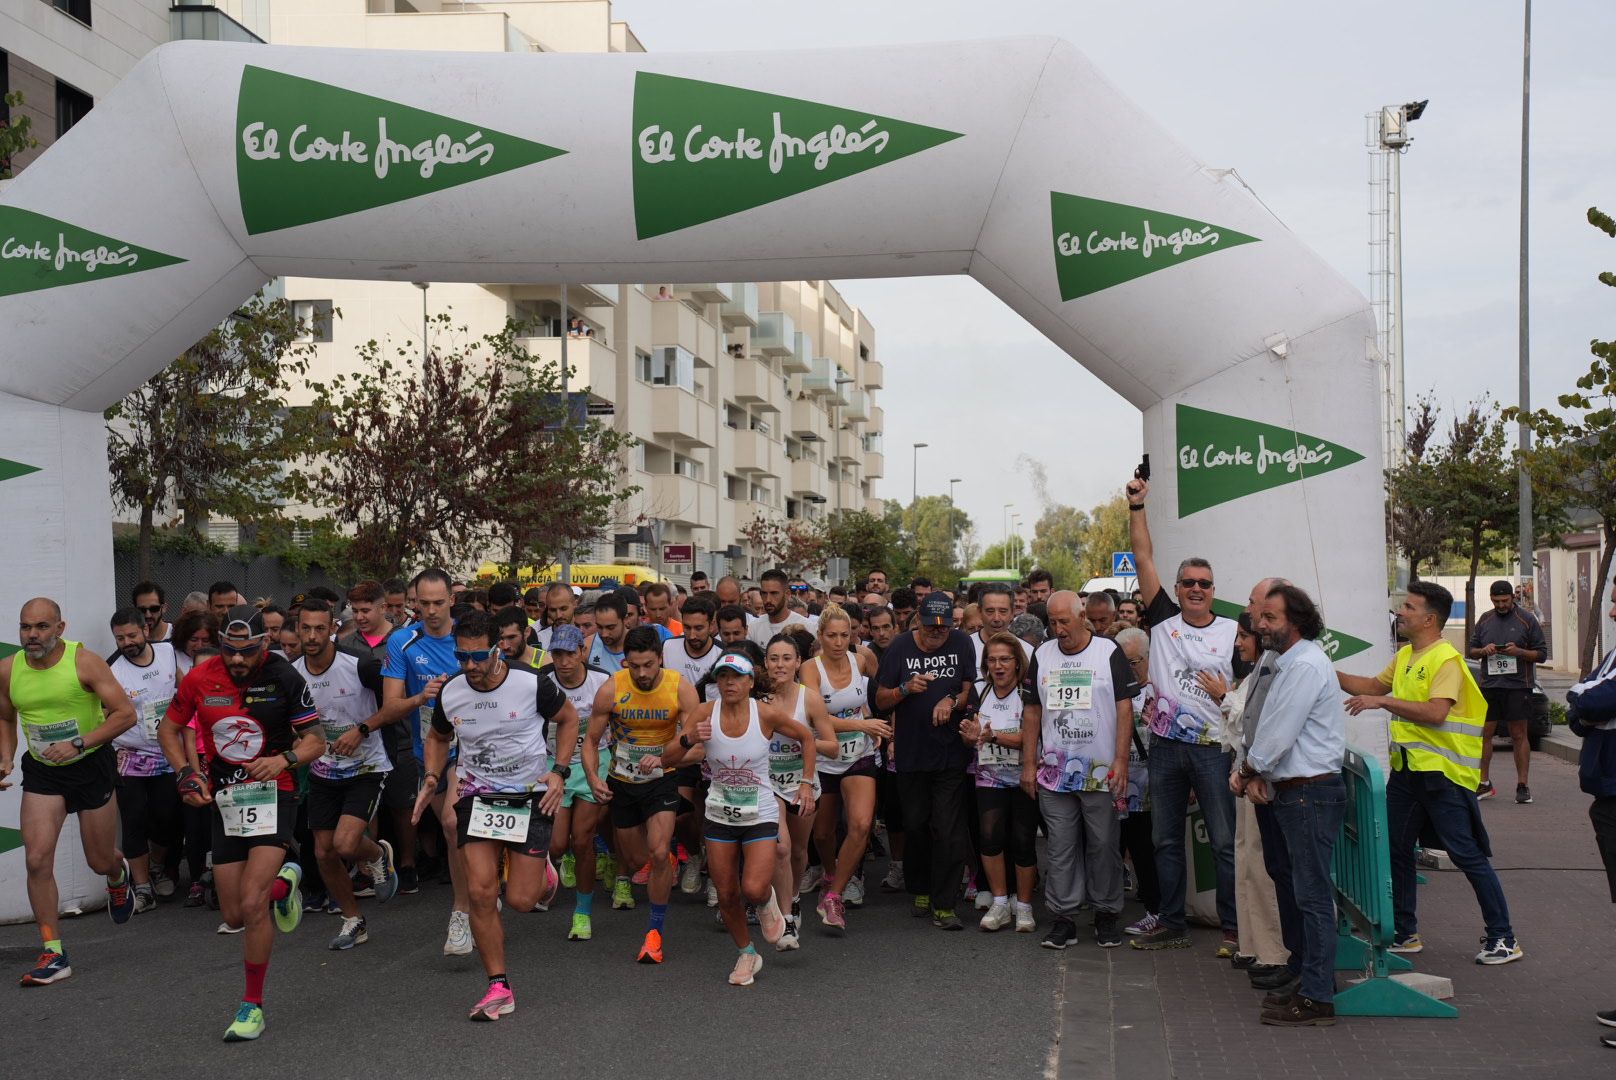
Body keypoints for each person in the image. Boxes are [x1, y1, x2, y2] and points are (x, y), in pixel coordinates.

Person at [160, 604, 323, 1041]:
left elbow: (316, 741)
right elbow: (167, 730)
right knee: (233, 913)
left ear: (263, 643)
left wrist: (283, 759)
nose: (236, 659)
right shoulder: (200, 677)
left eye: (246, 650)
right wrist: (185, 773)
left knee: (252, 906)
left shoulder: (284, 676)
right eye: (229, 649)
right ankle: (285, 885)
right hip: (227, 799)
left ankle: (252, 1005)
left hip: (275, 792)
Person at [1338, 580, 1521, 965]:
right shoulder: (1406, 655)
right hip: (1409, 773)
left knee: (1466, 854)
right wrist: (1326, 671)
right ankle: (1405, 933)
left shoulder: (1445, 660)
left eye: (1409, 607)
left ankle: (1503, 937)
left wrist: (1382, 702)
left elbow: (1437, 712)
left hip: (1444, 775)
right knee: (1396, 848)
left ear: (1429, 619)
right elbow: (1371, 685)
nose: (1400, 612)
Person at [415, 610, 576, 1020]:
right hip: (477, 796)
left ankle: (543, 874)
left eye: (477, 656)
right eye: (461, 657)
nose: (469, 666)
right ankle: (498, 986)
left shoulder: (530, 683)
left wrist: (559, 772)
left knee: (521, 900)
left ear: (497, 649)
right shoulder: (452, 691)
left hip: (529, 796)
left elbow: (568, 719)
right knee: (482, 893)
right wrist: (432, 776)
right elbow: (438, 737)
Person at [1125, 472, 1239, 953]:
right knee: (1165, 840)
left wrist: (1227, 695)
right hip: (1167, 747)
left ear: (1213, 590)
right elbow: (1142, 557)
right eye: (1188, 582)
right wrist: (1136, 507)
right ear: (1176, 587)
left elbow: (1250, 691)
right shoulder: (1163, 619)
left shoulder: (1233, 630)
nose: (1196, 589)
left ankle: (1235, 929)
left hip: (1214, 750)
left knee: (1224, 843)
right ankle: (1171, 922)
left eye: (1204, 584)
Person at [2, 598, 139, 986]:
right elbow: (5, 715)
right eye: (26, 627)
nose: (32, 635)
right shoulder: (8, 670)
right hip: (43, 771)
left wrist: (79, 744)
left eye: (42, 627)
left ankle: (117, 874)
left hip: (90, 766)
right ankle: (53, 951)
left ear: (60, 628)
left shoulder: (84, 662)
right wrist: (5, 757)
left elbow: (125, 714)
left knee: (99, 859)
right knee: (36, 859)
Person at [1233, 584, 1347, 1027]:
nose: (1260, 625)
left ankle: (1318, 995)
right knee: (1299, 889)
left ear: (1296, 621)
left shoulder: (1304, 665)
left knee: (1312, 896)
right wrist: (1252, 770)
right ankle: (1307, 978)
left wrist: (1247, 772)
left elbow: (1278, 734)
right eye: (1259, 616)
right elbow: (1263, 724)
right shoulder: (1287, 662)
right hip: (1294, 792)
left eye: (1270, 618)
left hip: (1308, 793)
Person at [680, 650, 816, 984]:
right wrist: (687, 739)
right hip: (719, 814)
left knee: (753, 888)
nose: (729, 683)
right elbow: (672, 754)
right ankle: (747, 954)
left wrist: (806, 783)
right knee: (726, 894)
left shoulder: (764, 714)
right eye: (723, 677)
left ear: (750, 682)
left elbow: (807, 737)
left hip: (759, 812)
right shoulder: (704, 713)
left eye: (737, 677)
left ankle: (767, 903)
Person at [582, 625, 700, 963]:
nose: (643, 673)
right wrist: (592, 777)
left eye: (648, 665)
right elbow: (590, 740)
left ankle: (654, 934)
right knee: (637, 862)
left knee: (659, 851)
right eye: (635, 666)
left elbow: (697, 746)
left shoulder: (680, 688)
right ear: (625, 662)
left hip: (663, 779)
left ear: (660, 658)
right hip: (623, 781)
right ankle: (664, 863)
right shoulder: (611, 689)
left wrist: (664, 758)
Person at [1024, 592, 1134, 949]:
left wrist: (1121, 759)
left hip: (1100, 771)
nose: (1059, 629)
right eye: (1053, 622)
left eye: (1065, 622)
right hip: (1055, 773)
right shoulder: (1042, 655)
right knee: (1060, 847)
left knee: (1103, 845)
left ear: (1082, 616)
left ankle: (1106, 914)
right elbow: (1032, 711)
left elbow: (1125, 707)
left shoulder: (1108, 651)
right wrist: (1028, 763)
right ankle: (1064, 918)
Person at [292, 598, 399, 951]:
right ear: (297, 629)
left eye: (319, 628)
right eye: (306, 628)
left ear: (333, 629)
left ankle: (377, 855)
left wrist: (362, 730)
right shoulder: (293, 673)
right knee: (324, 853)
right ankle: (353, 920)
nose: (312, 636)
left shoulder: (360, 664)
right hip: (323, 768)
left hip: (366, 766)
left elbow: (393, 706)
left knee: (345, 844)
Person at [380, 568, 474, 956]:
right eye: (424, 603)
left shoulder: (469, 635)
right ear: (413, 602)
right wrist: (422, 697)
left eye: (439, 602)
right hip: (431, 748)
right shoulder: (402, 640)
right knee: (454, 830)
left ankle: (462, 911)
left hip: (472, 745)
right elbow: (389, 707)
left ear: (452, 599)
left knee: (452, 822)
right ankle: (476, 893)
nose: (432, 611)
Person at [873, 593, 975, 929]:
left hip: (950, 753)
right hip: (912, 753)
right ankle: (920, 887)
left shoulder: (962, 643)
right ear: (918, 619)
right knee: (916, 825)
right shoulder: (899, 648)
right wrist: (905, 689)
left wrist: (950, 701)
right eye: (931, 626)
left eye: (944, 628)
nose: (937, 632)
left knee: (948, 829)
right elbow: (881, 700)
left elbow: (968, 691)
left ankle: (945, 905)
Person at [803, 604, 887, 931]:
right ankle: (830, 872)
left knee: (862, 825)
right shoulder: (810, 669)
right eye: (831, 636)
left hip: (858, 756)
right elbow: (816, 718)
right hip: (824, 757)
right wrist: (862, 725)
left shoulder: (861, 660)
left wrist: (872, 724)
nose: (839, 642)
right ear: (820, 636)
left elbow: (865, 699)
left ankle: (834, 895)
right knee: (823, 833)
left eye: (844, 635)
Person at [756, 636, 838, 948]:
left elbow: (832, 747)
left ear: (798, 662)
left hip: (803, 783)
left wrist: (803, 739)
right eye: (774, 658)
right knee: (781, 848)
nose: (780, 665)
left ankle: (791, 898)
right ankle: (786, 918)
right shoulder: (757, 700)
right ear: (766, 663)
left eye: (787, 658)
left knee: (799, 851)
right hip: (768, 784)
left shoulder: (810, 699)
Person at [337, 580, 417, 894]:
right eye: (355, 610)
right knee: (365, 808)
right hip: (362, 737)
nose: (359, 616)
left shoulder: (403, 641)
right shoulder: (346, 644)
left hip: (400, 734)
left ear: (383, 608)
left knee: (402, 805)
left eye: (366, 610)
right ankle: (370, 868)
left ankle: (408, 865)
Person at [1565, 576, 1616, 1048]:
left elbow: (1595, 698)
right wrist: (1584, 700)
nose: (1613, 612)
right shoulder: (1614, 654)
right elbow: (1580, 709)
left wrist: (1585, 698)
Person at [538, 626, 613, 941]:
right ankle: (551, 869)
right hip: (554, 765)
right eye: (557, 654)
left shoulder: (602, 681)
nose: (564, 661)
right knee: (556, 844)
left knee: (582, 841)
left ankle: (582, 912)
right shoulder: (542, 682)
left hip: (594, 761)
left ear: (582, 652)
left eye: (570, 653)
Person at [107, 607, 184, 912]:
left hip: (167, 751)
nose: (127, 642)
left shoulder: (168, 653)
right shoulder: (112, 669)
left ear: (145, 631)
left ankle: (156, 866)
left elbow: (184, 689)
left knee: (167, 817)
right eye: (120, 638)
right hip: (130, 754)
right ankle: (141, 888)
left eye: (131, 635)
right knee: (134, 818)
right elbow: (103, 712)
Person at [968, 632, 1038, 933]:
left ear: (1017, 662)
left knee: (1022, 841)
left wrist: (994, 736)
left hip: (1024, 777)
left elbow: (1030, 737)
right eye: (992, 660)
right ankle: (999, 902)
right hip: (990, 776)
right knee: (990, 838)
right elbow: (973, 733)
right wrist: (970, 734)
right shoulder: (980, 691)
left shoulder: (1028, 693)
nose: (998, 666)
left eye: (1005, 660)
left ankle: (1023, 906)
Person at [663, 594, 722, 895]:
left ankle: (715, 876)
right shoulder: (668, 648)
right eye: (687, 627)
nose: (693, 634)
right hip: (682, 742)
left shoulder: (723, 656)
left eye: (699, 628)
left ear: (712, 625)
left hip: (717, 747)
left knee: (715, 814)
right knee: (680, 811)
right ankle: (694, 856)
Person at [1468, 579, 1548, 803]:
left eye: (1505, 600)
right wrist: (1483, 651)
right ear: (1491, 599)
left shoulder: (1527, 619)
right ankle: (1484, 783)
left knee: (1518, 734)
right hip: (1490, 686)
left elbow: (1542, 654)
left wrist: (1519, 652)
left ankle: (1523, 785)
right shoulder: (1485, 619)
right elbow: (1471, 650)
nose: (1501, 605)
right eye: (1496, 601)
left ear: (1513, 597)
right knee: (1485, 734)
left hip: (1517, 686)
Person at [1113, 627, 1162, 939]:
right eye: (1122, 663)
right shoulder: (1112, 689)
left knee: (1147, 847)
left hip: (1152, 785)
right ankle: (1108, 908)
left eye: (1133, 662)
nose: (1128, 669)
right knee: (1115, 845)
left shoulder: (1161, 689)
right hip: (1118, 785)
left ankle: (1156, 908)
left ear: (1148, 658)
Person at [971, 584, 1032, 667]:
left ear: (1012, 612)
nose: (996, 618)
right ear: (979, 612)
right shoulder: (964, 647)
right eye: (990, 611)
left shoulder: (1027, 652)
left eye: (1003, 611)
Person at [748, 568, 811, 648]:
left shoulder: (806, 626)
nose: (768, 599)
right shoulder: (753, 627)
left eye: (774, 593)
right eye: (764, 593)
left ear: (787, 594)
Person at [587, 590, 630, 673]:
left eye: (610, 627)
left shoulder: (642, 646)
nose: (604, 634)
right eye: (599, 627)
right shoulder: (588, 646)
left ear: (625, 620)